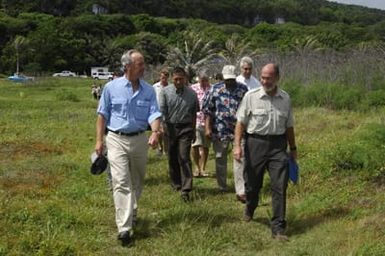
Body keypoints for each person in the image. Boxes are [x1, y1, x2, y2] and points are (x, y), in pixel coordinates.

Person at [95, 49, 162, 247]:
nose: (144, 68)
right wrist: (99, 140)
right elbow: (102, 115)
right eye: (140, 64)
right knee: (121, 181)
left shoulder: (149, 90)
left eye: (143, 64)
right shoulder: (110, 88)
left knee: (138, 180)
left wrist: (156, 133)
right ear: (128, 66)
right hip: (116, 138)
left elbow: (154, 114)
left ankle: (131, 211)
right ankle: (124, 228)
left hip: (140, 139)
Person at [233, 63, 297, 241]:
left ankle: (278, 227)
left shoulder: (285, 98)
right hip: (255, 144)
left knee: (279, 186)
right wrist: (237, 146)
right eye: (262, 77)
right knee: (253, 183)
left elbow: (289, 126)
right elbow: (240, 123)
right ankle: (250, 207)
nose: (264, 81)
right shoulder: (250, 96)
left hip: (278, 146)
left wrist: (293, 148)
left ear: (277, 78)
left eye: (268, 78)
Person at [202, 65, 248, 201]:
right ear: (223, 78)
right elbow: (208, 110)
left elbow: (248, 110)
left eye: (232, 79)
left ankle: (240, 190)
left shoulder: (242, 89)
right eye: (227, 80)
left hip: (238, 130)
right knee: (220, 157)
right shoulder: (215, 90)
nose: (230, 82)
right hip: (220, 130)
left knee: (240, 158)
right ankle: (222, 185)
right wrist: (207, 128)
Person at [159, 67, 199, 202]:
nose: (178, 82)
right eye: (175, 79)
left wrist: (193, 130)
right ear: (172, 79)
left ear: (185, 79)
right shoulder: (165, 92)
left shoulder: (192, 94)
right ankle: (176, 183)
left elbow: (194, 114)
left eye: (180, 79)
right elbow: (162, 111)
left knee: (183, 156)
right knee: (172, 157)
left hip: (186, 128)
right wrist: (162, 127)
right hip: (170, 127)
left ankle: (186, 188)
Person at [190, 69, 211, 178]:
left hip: (207, 121)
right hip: (196, 120)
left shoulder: (211, 89)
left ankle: (203, 167)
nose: (204, 82)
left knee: (206, 146)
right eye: (202, 80)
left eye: (206, 80)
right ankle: (197, 167)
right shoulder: (193, 88)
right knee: (195, 144)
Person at [153, 69, 170, 156]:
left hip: (167, 112)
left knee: (166, 132)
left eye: (165, 78)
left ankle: (166, 150)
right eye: (162, 77)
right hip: (157, 112)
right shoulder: (155, 86)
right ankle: (160, 146)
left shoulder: (170, 87)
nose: (163, 79)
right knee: (159, 131)